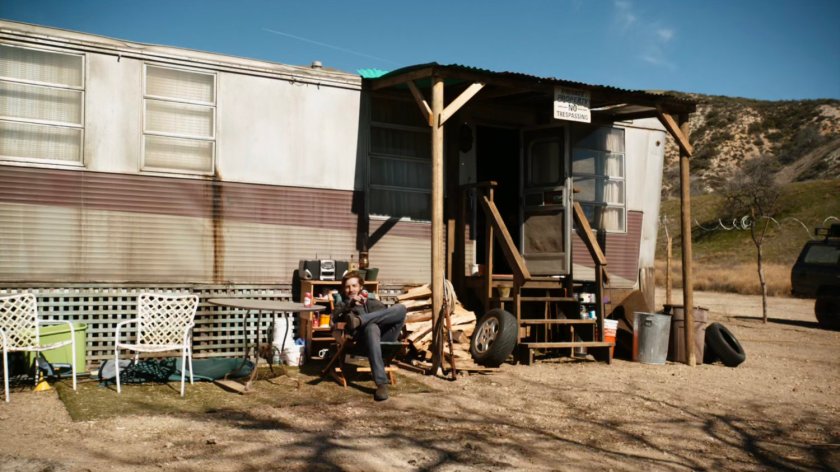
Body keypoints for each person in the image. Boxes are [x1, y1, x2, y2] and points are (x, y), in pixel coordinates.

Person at [331, 270, 406, 401]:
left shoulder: (372, 302)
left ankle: (360, 321)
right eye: (347, 286)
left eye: (354, 286)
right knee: (372, 328)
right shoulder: (343, 305)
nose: (351, 289)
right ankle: (381, 384)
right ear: (344, 289)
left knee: (401, 308)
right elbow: (335, 318)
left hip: (384, 337)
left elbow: (386, 315)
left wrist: (366, 311)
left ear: (360, 287)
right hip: (362, 342)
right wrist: (350, 305)